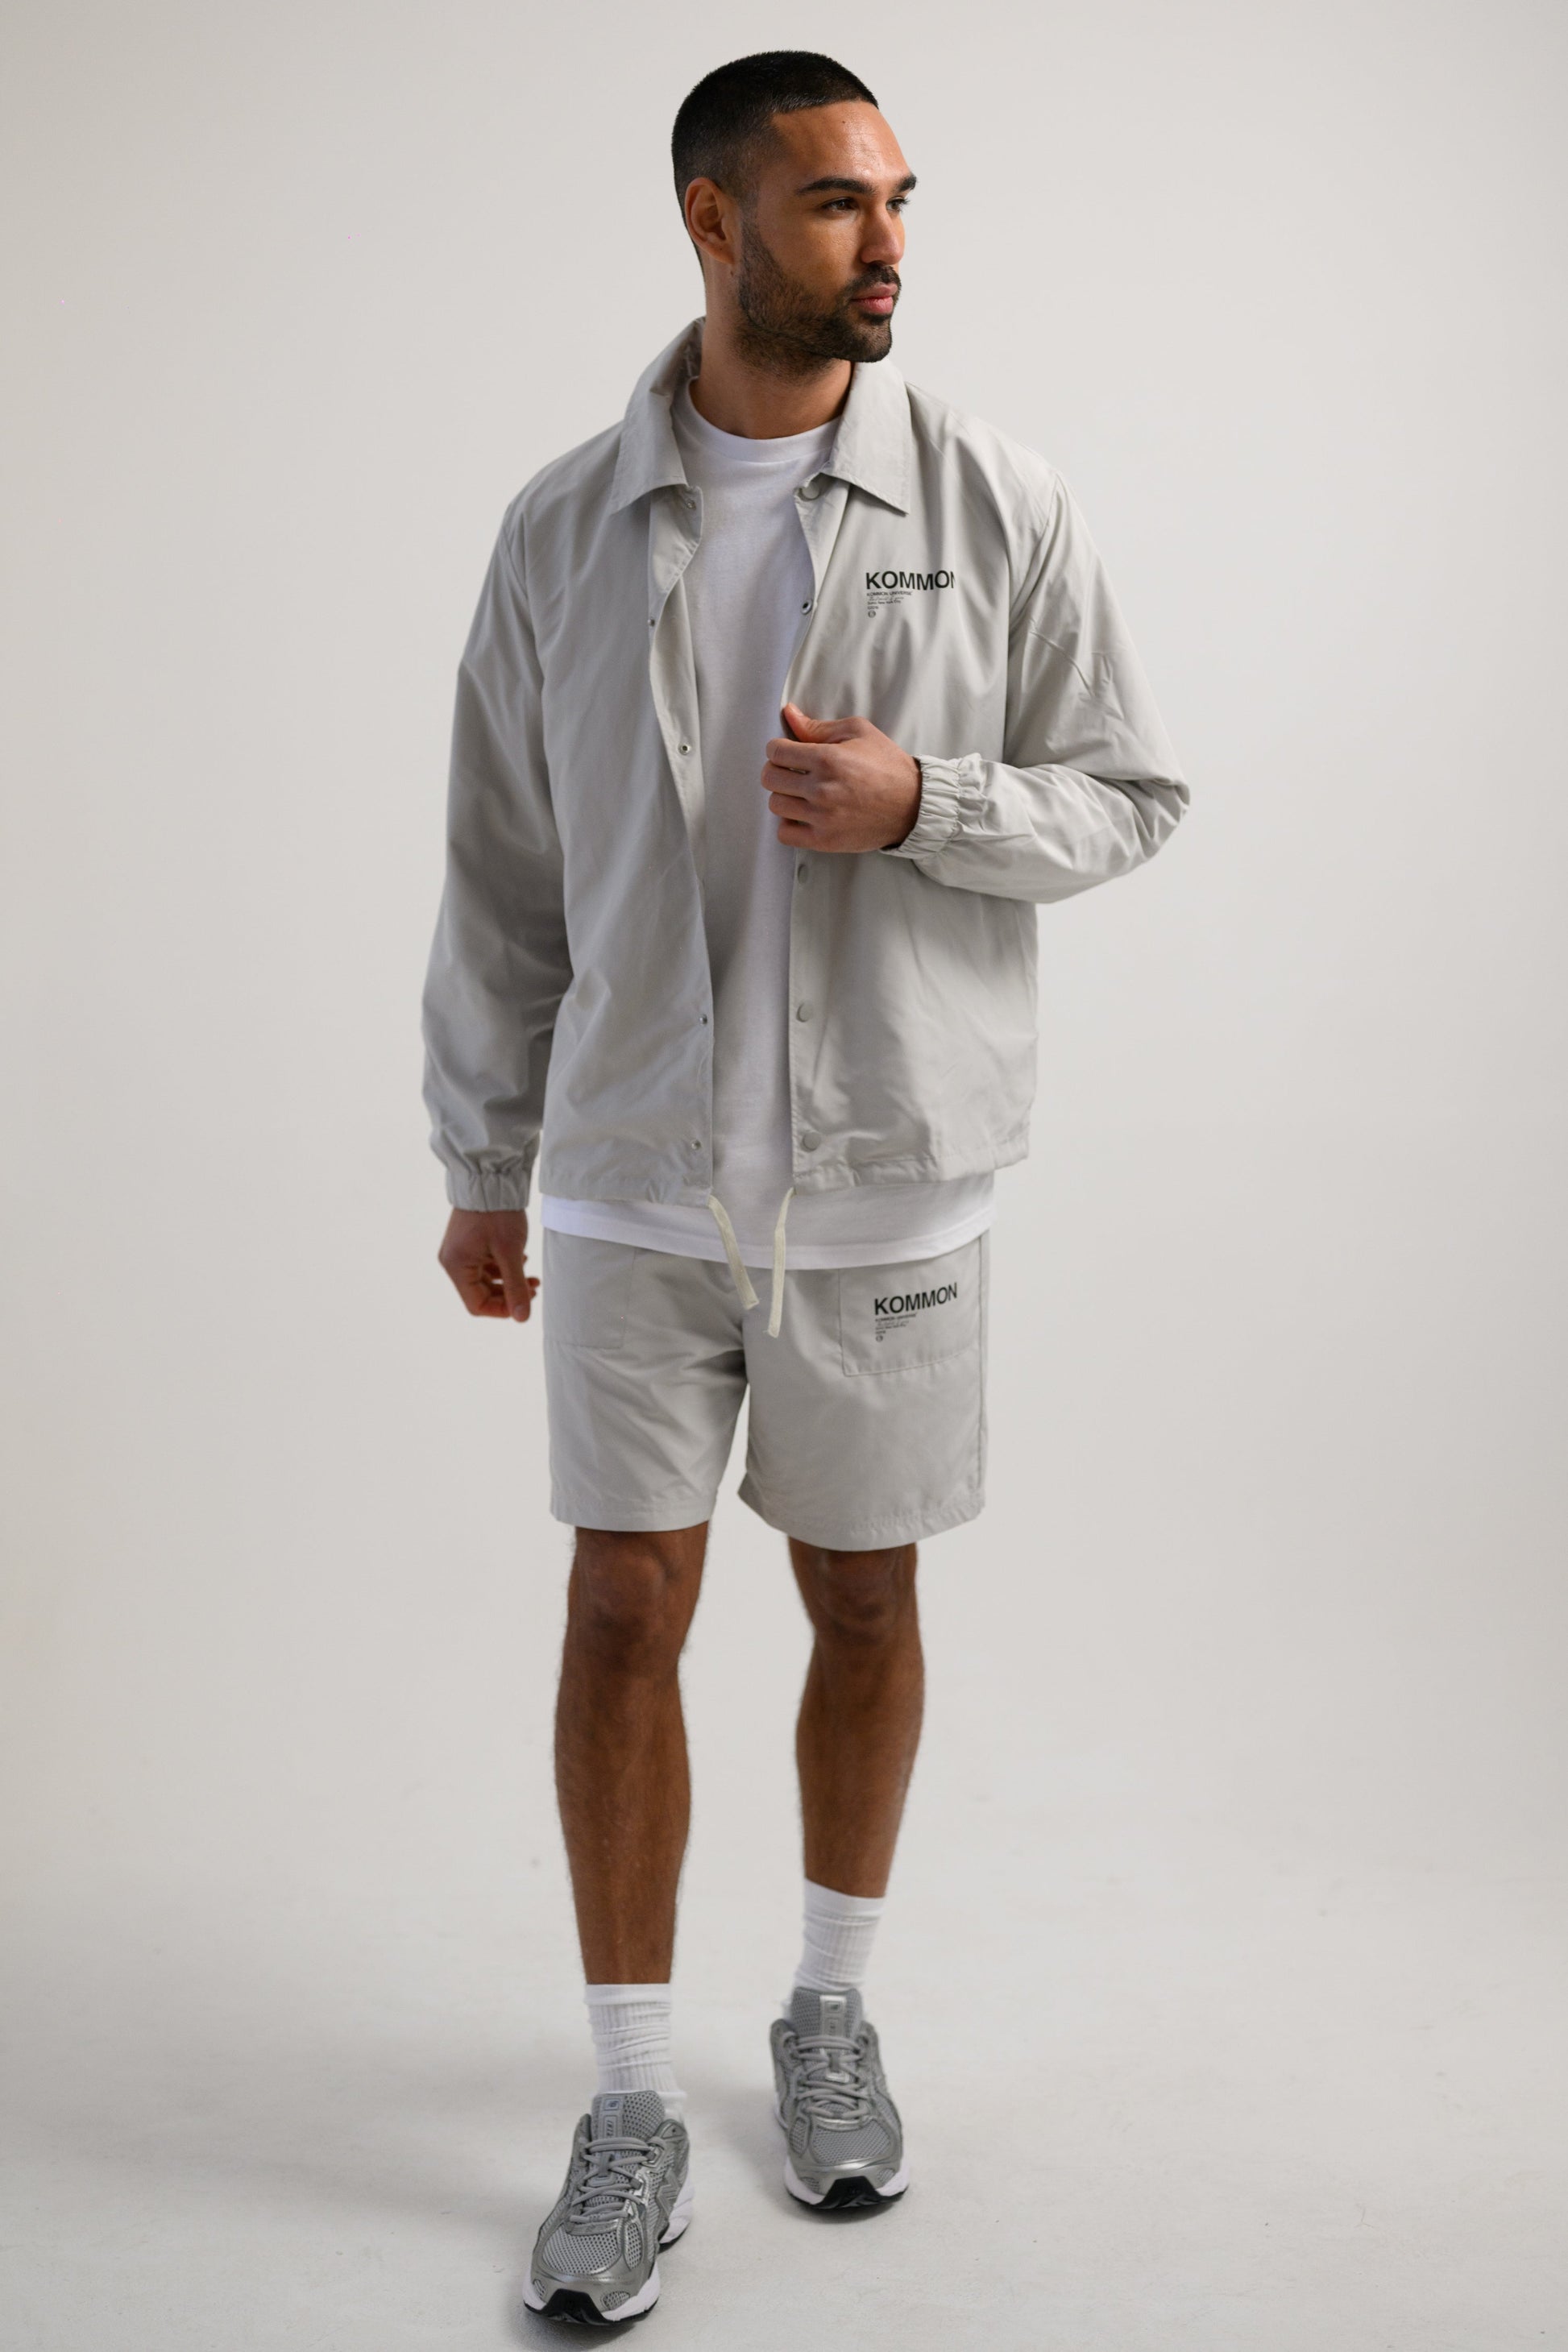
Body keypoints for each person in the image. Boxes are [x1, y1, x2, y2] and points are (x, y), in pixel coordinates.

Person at [421, 48, 1188, 2325]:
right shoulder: (562, 527)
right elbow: (501, 871)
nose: (887, 243)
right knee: (620, 1613)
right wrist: (484, 1152)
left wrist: (924, 799)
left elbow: (1129, 793)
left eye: (899, 199)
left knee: (861, 1606)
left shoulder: (998, 497)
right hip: (632, 1171)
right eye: (840, 202)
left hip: (888, 1180)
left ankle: (828, 2012)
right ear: (712, 218)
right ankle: (627, 2101)